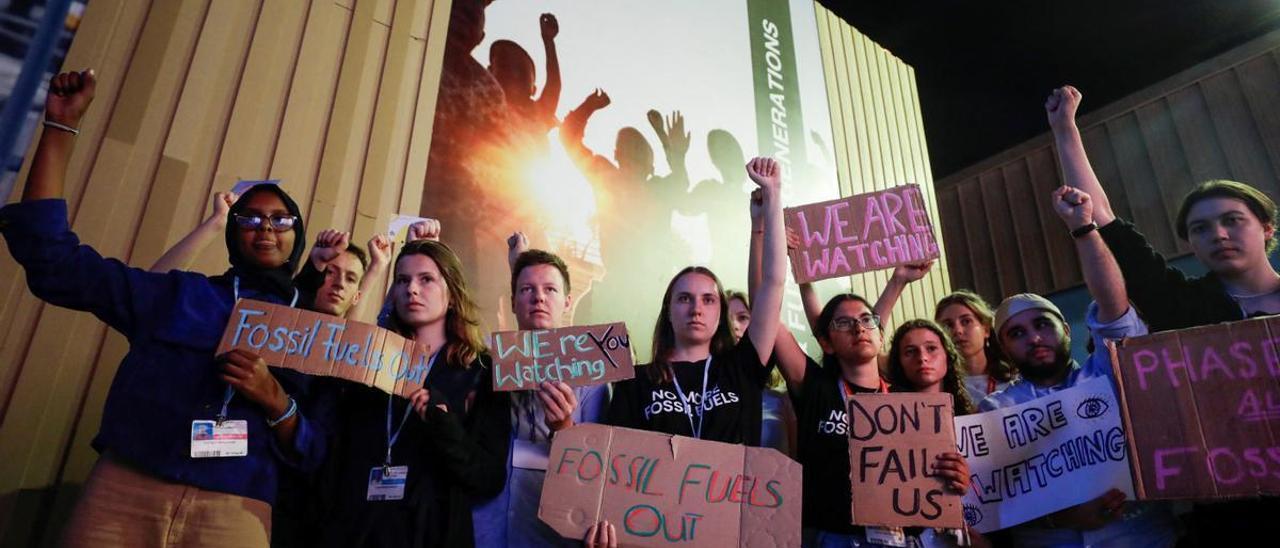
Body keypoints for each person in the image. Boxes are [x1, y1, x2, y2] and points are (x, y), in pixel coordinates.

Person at [3, 70, 330, 547]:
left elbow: (320, 451)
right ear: (232, 230)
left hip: (237, 508)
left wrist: (276, 401)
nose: (267, 227)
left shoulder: (320, 334)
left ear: (297, 236)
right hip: (126, 487)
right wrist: (60, 129)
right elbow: (54, 261)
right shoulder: (181, 294)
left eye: (282, 219)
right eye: (251, 217)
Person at [1048, 84, 1277, 543]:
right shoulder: (1183, 304)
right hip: (1229, 519)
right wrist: (1064, 128)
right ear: (1191, 244)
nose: (1218, 234)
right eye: (1201, 228)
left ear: (1266, 228)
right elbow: (1106, 220)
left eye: (1233, 220)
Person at [975, 184, 1179, 547]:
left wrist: (1084, 231)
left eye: (1042, 325)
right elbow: (993, 493)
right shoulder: (997, 408)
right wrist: (1058, 517)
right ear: (1005, 351)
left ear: (1066, 329)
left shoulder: (1106, 373)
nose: (1034, 338)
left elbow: (1114, 309)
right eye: (1017, 333)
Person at [316, 238, 510, 547]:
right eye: (403, 280)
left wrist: (448, 431)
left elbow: (489, 478)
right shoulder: (370, 356)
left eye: (426, 279)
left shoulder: (484, 370)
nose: (412, 289)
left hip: (432, 531)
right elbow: (338, 448)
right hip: (357, 529)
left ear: (452, 293)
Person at [604, 157, 786, 445]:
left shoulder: (741, 368)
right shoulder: (636, 382)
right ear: (668, 312)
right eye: (684, 298)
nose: (696, 308)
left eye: (708, 300)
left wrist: (773, 195)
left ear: (721, 313)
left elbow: (773, 283)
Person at [472, 233, 609, 547]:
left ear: (568, 301)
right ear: (513, 301)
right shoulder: (486, 364)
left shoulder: (593, 377)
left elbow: (599, 469)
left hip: (553, 532)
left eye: (550, 289)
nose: (539, 298)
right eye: (527, 290)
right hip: (486, 527)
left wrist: (565, 429)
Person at [933, 291, 1015, 403]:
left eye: (966, 321)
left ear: (986, 329)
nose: (957, 331)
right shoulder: (937, 389)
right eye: (948, 325)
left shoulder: (1016, 380)